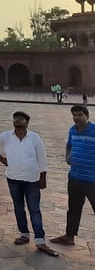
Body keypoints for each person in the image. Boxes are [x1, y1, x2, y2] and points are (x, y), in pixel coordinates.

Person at [0, 111, 58, 257]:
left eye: (21, 119)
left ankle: (40, 240)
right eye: (15, 118)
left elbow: (42, 157)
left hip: (31, 179)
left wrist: (43, 175)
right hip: (13, 177)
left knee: (34, 209)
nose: (18, 121)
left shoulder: (34, 138)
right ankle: (24, 234)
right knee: (19, 207)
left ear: (27, 122)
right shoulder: (7, 136)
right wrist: (1, 159)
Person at [50, 105, 95, 246]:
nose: (77, 118)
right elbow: (69, 145)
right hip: (75, 177)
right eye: (74, 115)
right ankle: (69, 236)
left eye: (80, 115)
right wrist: (67, 156)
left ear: (87, 115)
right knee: (73, 208)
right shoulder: (72, 130)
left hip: (92, 180)